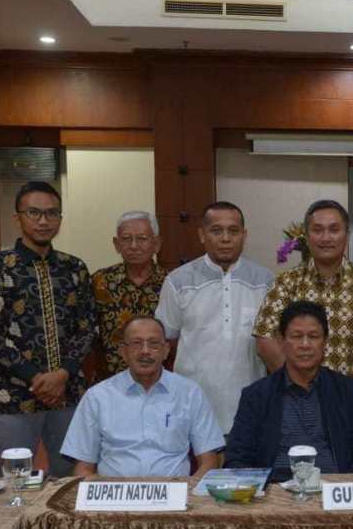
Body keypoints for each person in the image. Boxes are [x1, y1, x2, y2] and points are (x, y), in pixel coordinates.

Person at [0, 181, 94, 477]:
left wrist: (62, 375)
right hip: (13, 397)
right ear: (18, 218)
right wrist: (38, 379)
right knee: (10, 483)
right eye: (34, 212)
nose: (43, 221)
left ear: (60, 220)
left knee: (69, 481)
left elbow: (88, 328)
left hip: (67, 395)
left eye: (52, 213)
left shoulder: (74, 268)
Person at [253, 200, 353, 405]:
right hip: (297, 403)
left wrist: (350, 391)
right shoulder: (286, 283)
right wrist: (300, 387)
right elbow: (265, 340)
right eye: (318, 230)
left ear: (347, 235)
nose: (326, 237)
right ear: (306, 235)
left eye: (334, 230)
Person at [155, 201, 273, 434]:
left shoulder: (266, 282)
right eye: (216, 231)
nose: (226, 238)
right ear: (202, 235)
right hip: (193, 409)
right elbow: (166, 345)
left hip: (251, 409)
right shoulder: (178, 281)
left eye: (233, 231)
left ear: (244, 235)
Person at [60, 316, 225, 477]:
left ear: (166, 351)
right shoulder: (97, 397)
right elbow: (82, 468)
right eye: (136, 344)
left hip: (173, 495)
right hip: (114, 498)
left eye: (153, 344)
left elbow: (209, 461)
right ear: (123, 352)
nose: (145, 351)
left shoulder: (190, 393)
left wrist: (191, 489)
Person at [227, 301, 353, 478]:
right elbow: (236, 460)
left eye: (313, 336)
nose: (305, 345)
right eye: (296, 336)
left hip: (333, 491)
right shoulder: (257, 395)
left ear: (325, 342)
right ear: (282, 341)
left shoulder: (345, 390)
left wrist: (343, 488)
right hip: (275, 493)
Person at [91, 211, 166, 378]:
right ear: (116, 244)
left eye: (142, 238)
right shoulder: (99, 282)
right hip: (111, 383)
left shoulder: (171, 283)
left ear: (156, 244)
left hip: (159, 382)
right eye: (126, 239)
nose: (134, 246)